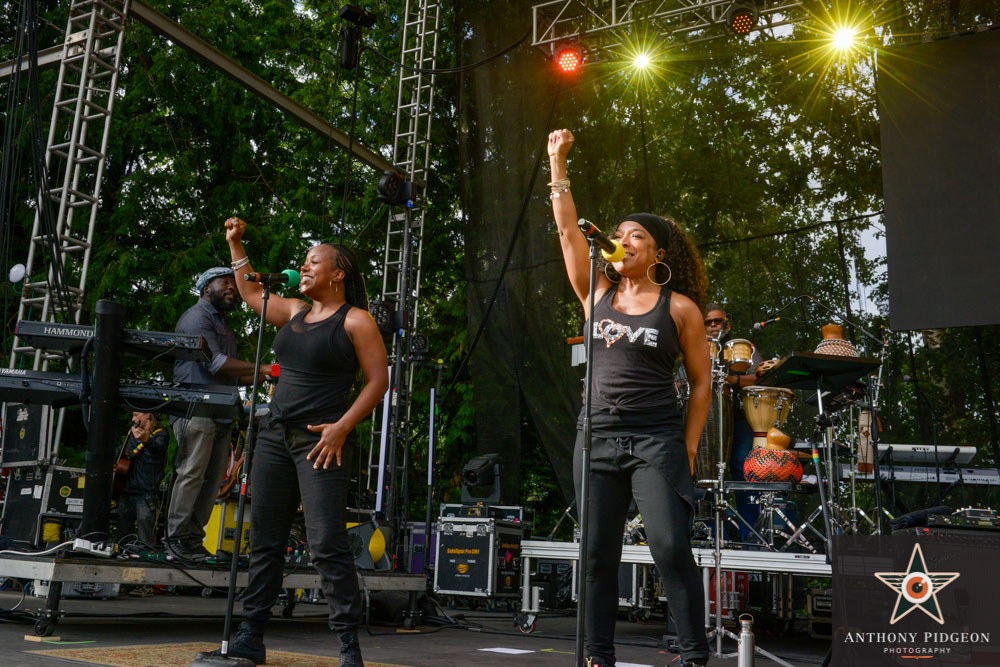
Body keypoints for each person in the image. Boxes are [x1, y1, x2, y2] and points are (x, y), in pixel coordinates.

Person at [548, 129, 711, 667]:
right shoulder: (595, 292)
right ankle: (598, 656)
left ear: (657, 252)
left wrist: (687, 446)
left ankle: (693, 656)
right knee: (596, 556)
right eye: (618, 234)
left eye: (635, 235)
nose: (623, 241)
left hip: (656, 439)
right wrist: (558, 164)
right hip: (594, 436)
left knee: (669, 548)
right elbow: (569, 229)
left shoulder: (680, 309)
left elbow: (701, 381)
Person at [201, 216, 388, 667]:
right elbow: (248, 292)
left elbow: (379, 381)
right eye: (304, 263)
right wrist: (237, 243)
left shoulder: (356, 321)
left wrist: (343, 426)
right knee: (265, 540)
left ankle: (348, 646)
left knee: (326, 543)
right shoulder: (293, 312)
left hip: (320, 441)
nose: (303, 269)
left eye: (313, 263)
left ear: (337, 273)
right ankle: (251, 636)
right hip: (272, 436)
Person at [167, 267, 263, 562]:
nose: (232, 288)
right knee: (192, 473)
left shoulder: (222, 323)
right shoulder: (198, 317)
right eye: (225, 282)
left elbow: (233, 376)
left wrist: (269, 376)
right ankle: (176, 539)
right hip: (196, 409)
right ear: (206, 287)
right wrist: (265, 370)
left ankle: (193, 540)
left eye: (234, 283)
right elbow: (217, 365)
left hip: (221, 411)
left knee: (212, 480)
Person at [704, 304, 763, 539]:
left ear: (726, 324)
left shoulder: (741, 347)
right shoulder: (696, 347)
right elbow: (680, 383)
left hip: (739, 418)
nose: (713, 326)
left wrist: (730, 379)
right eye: (707, 322)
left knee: (743, 470)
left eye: (717, 321)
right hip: (707, 421)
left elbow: (761, 376)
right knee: (708, 476)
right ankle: (713, 535)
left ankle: (751, 536)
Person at [116, 412, 168, 549]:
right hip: (126, 491)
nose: (133, 419)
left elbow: (157, 450)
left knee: (146, 538)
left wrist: (146, 440)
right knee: (122, 537)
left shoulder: (161, 434)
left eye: (135, 415)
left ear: (147, 415)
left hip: (145, 494)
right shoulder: (132, 434)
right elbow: (122, 455)